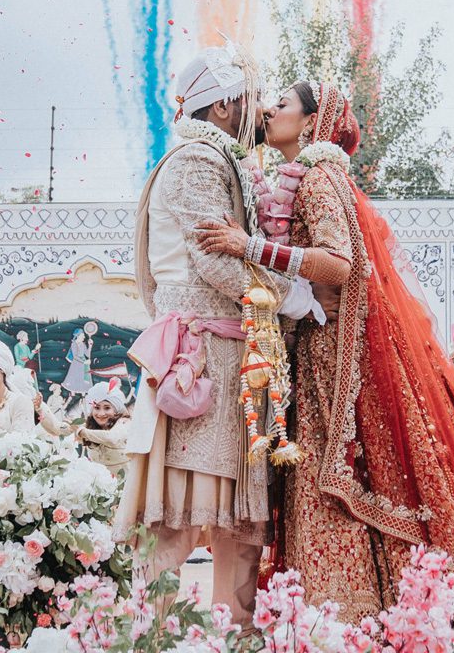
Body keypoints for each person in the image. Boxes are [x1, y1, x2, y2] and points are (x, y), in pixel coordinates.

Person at [196, 80, 454, 621]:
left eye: (283, 104)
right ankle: (365, 611)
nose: (270, 109)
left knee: (337, 478)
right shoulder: (312, 178)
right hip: (325, 351)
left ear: (313, 122)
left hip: (335, 361)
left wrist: (248, 247)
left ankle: (345, 617)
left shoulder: (319, 180)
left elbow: (338, 265)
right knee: (352, 477)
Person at [112, 44, 319, 627]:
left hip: (227, 354)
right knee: (179, 517)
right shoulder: (199, 162)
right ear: (225, 105)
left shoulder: (216, 159)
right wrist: (296, 295)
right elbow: (215, 262)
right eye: (252, 100)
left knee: (236, 519)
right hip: (203, 360)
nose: (259, 110)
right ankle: (157, 634)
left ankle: (235, 632)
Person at [38, 380, 131, 477]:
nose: (101, 413)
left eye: (107, 408)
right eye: (97, 408)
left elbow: (111, 438)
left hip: (126, 486)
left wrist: (82, 432)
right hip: (98, 485)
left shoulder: (125, 423)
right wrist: (40, 407)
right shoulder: (88, 424)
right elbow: (57, 429)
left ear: (116, 409)